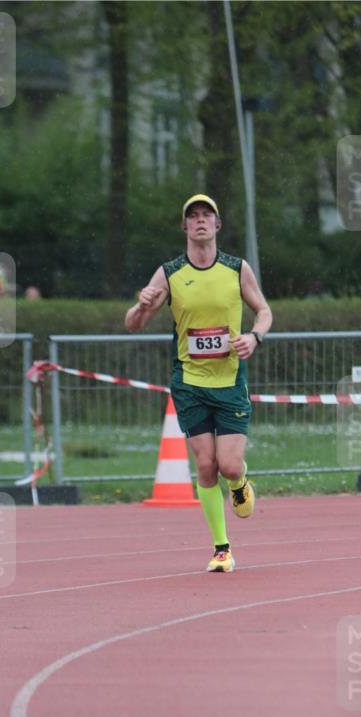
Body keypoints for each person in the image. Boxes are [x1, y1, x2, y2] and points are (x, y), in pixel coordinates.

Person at [125, 194, 272, 573]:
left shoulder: (237, 269)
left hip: (229, 382)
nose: (201, 221)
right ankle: (221, 548)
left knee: (229, 465)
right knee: (205, 466)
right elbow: (133, 324)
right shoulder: (170, 273)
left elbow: (265, 311)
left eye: (207, 215)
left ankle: (239, 483)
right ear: (185, 227)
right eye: (193, 216)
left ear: (218, 225)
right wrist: (141, 305)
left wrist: (254, 337)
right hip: (189, 382)